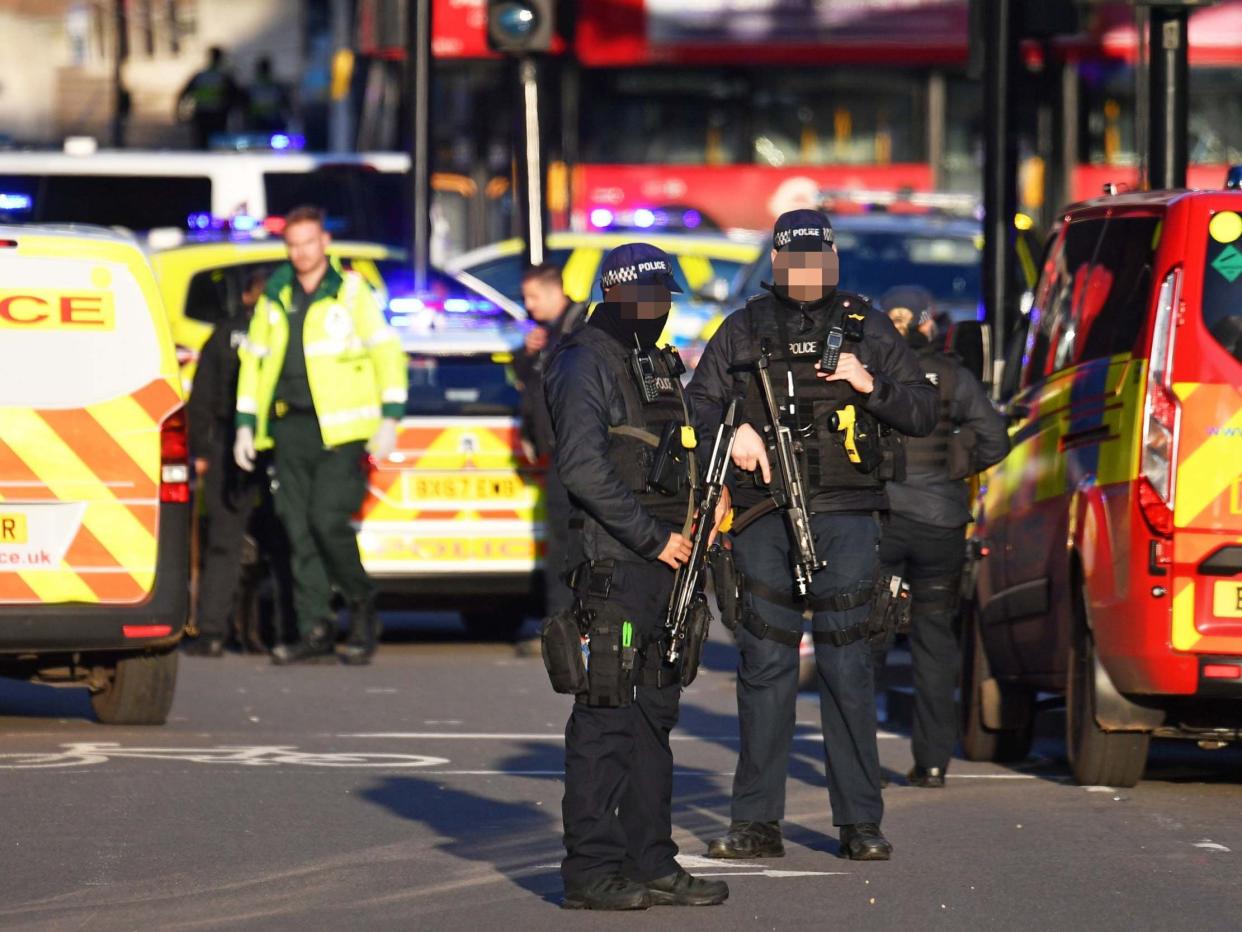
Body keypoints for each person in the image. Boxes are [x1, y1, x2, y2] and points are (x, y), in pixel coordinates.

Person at [687, 208, 938, 862]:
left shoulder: (867, 326)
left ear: (830, 261)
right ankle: (756, 823)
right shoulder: (742, 329)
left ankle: (859, 822)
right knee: (764, 664)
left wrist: (869, 383)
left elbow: (921, 411)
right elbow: (695, 407)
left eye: (815, 261)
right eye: (792, 262)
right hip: (763, 515)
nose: (803, 274)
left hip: (848, 513)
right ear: (775, 263)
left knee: (847, 663)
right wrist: (729, 433)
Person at [544, 243, 729, 911]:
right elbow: (584, 469)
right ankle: (591, 873)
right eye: (651, 301)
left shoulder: (652, 361)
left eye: (666, 301)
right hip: (618, 563)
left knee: (654, 716)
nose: (660, 313)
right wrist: (655, 539)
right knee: (605, 720)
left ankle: (651, 859)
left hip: (666, 568)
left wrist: (706, 513)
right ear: (622, 297)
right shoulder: (584, 359)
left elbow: (677, 451)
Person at [234, 206, 408, 666]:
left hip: (341, 430)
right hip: (288, 429)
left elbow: (386, 352)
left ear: (324, 244)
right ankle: (314, 628)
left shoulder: (351, 293)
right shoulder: (276, 295)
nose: (301, 252)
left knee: (326, 520)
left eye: (309, 242)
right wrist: (246, 425)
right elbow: (254, 364)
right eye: (293, 244)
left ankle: (361, 604)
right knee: (297, 530)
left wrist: (391, 415)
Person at [873, 286, 1010, 787]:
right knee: (934, 642)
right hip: (941, 527)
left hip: (882, 522)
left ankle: (861, 761)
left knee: (868, 639)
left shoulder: (871, 375)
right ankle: (932, 764)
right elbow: (996, 438)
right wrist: (956, 467)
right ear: (929, 324)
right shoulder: (955, 376)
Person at [184, 271, 268, 657]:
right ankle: (282, 632)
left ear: (248, 294)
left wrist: (199, 450)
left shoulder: (223, 334)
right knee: (283, 544)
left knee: (224, 543)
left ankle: (212, 633)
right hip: (276, 446)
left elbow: (200, 398)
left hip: (226, 445)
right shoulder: (287, 335)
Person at [512, 263, 588, 655]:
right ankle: (561, 622)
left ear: (554, 290)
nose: (528, 305)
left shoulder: (580, 326)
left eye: (533, 296)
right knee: (562, 538)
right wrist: (526, 354)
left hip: (577, 450)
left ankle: (564, 624)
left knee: (568, 539)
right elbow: (528, 379)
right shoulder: (547, 334)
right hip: (557, 449)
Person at [177, 46, 244, 150]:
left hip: (202, 114)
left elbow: (183, 94)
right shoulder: (224, 76)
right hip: (218, 115)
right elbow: (236, 97)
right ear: (220, 58)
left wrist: (179, 113)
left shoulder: (200, 75)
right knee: (218, 145)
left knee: (201, 145)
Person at [245, 56, 292, 134]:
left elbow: (247, 103)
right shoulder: (274, 84)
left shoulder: (253, 85)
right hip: (270, 118)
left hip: (258, 118)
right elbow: (283, 101)